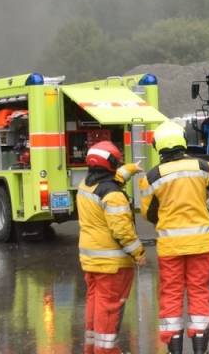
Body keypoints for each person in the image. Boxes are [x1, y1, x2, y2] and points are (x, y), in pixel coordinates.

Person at [140, 120, 209, 354]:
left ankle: (174, 350)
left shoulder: (152, 176)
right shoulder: (202, 166)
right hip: (201, 244)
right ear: (182, 141)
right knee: (199, 292)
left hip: (170, 247)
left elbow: (148, 212)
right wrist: (206, 210)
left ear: (158, 146)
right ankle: (200, 349)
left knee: (171, 295)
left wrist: (166, 220)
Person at [77, 140, 146, 354]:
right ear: (111, 164)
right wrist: (138, 254)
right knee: (110, 308)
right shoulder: (113, 195)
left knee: (95, 304)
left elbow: (112, 179)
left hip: (92, 262)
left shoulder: (86, 185)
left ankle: (92, 348)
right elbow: (122, 232)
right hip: (113, 264)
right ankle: (106, 351)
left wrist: (131, 169)